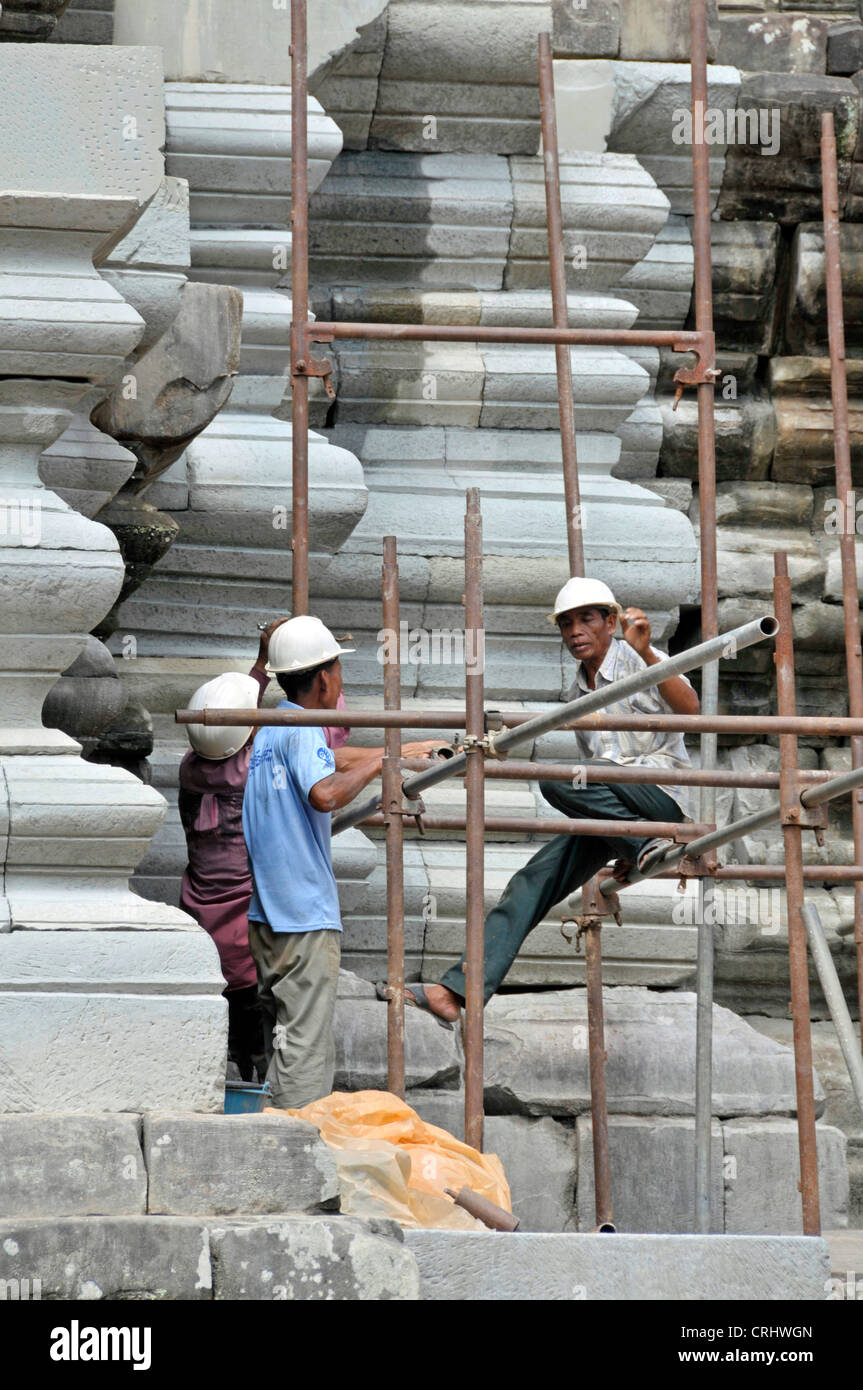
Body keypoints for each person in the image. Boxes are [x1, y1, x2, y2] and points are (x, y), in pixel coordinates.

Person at [404, 577, 701, 1025]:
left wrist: (644, 651)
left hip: (661, 797)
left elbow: (691, 711)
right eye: (566, 623)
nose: (575, 631)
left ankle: (642, 843)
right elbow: (599, 780)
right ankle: (456, 991)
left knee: (558, 782)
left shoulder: (639, 656)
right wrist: (624, 844)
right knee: (530, 881)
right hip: (624, 814)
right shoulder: (581, 689)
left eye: (586, 619)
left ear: (610, 621)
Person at [242, 615, 445, 1109]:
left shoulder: (271, 729)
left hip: (267, 916)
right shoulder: (306, 728)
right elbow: (325, 792)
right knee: (306, 1049)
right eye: (339, 670)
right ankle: (295, 1145)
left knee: (285, 1039)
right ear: (325, 677)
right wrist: (382, 765)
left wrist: (398, 750)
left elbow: (333, 759)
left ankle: (276, 1126)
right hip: (304, 918)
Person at [178, 619, 350, 1082]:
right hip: (270, 928)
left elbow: (232, 723)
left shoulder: (194, 769)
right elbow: (322, 736)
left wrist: (265, 663)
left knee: (251, 1051)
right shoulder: (253, 761)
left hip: (217, 933)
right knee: (287, 1051)